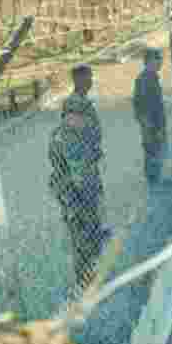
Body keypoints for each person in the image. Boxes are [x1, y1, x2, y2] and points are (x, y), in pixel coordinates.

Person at [49, 64, 110, 293]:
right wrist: (80, 187)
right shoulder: (75, 110)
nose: (91, 81)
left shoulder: (81, 107)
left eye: (91, 77)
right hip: (78, 186)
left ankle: (90, 276)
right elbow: (72, 157)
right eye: (87, 78)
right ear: (77, 79)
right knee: (83, 232)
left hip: (86, 180)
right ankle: (84, 281)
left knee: (91, 229)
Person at [132, 48, 167, 186]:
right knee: (152, 151)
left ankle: (156, 179)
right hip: (151, 125)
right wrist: (150, 126)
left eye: (160, 59)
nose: (160, 62)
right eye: (157, 59)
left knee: (156, 151)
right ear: (149, 61)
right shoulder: (145, 79)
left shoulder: (151, 77)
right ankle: (153, 181)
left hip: (153, 123)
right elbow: (140, 105)